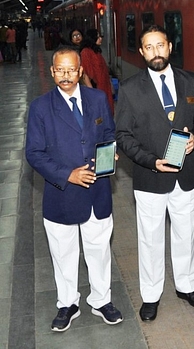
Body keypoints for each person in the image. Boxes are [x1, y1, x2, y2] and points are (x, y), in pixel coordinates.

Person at [25, 47, 123, 332]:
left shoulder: (98, 98)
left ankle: (101, 300)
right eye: (60, 70)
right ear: (53, 71)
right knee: (64, 253)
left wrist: (111, 151)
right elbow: (34, 153)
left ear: (80, 71)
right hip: (62, 195)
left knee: (99, 251)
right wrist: (67, 175)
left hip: (98, 191)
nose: (66, 75)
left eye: (71, 70)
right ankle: (67, 303)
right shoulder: (40, 107)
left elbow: (108, 133)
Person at [115, 25, 194, 322]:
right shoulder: (130, 89)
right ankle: (151, 295)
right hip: (149, 177)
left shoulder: (191, 81)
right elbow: (124, 135)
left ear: (170, 46)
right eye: (149, 47)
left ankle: (186, 286)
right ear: (142, 52)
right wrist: (151, 161)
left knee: (185, 234)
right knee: (151, 238)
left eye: (160, 45)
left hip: (186, 175)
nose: (156, 52)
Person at [80, 29, 115, 113]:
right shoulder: (86, 52)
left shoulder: (96, 51)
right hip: (97, 88)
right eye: (98, 37)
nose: (100, 39)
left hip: (104, 87)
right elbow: (85, 74)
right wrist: (92, 92)